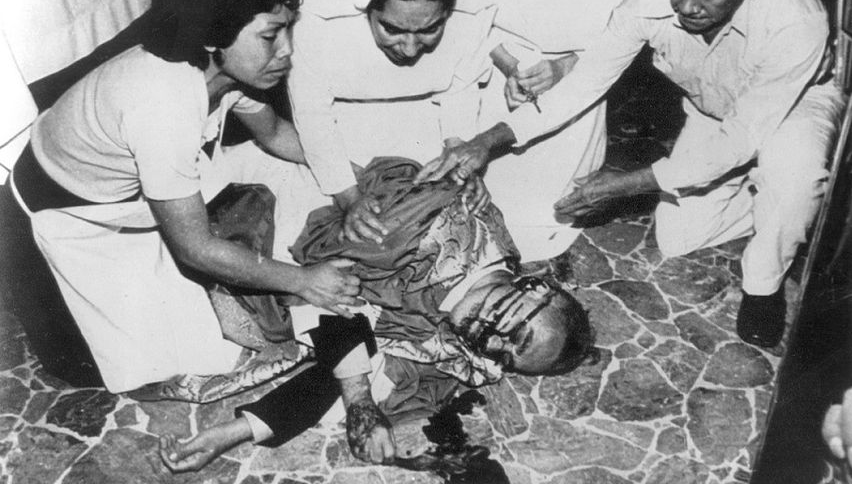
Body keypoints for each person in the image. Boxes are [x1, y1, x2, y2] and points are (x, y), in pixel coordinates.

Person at [416, 0, 846, 349]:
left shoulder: (796, 18)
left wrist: (624, 185)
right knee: (679, 238)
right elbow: (585, 83)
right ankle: (769, 198)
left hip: (796, 106)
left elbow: (740, 139)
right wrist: (489, 140)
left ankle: (766, 278)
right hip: (713, 108)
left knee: (793, 177)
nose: (687, 5)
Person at [8, 0, 362, 393]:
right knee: (139, 362)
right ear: (215, 35)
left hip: (127, 193)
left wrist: (352, 179)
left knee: (271, 198)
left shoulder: (226, 71)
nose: (287, 50)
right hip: (57, 219)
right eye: (271, 35)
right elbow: (194, 248)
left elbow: (275, 133)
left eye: (289, 29)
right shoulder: (164, 99)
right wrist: (303, 281)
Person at [159, 156, 597, 472]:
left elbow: (358, 369)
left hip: (292, 280)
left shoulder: (467, 335)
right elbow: (328, 287)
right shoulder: (437, 227)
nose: (495, 342)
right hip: (268, 212)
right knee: (174, 353)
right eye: (517, 334)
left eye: (506, 356)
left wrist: (234, 432)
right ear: (537, 287)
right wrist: (360, 402)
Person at [459, 0, 647, 261]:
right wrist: (507, 64)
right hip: (492, 63)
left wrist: (564, 66)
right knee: (476, 196)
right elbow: (464, 14)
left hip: (580, 79)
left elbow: (620, 45)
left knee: (548, 211)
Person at [287, 0, 498, 246]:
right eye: (392, 29)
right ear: (367, 10)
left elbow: (460, 93)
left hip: (426, 130)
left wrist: (460, 164)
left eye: (430, 29)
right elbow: (312, 115)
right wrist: (348, 197)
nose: (410, 49)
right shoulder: (317, 17)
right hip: (337, 139)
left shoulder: (472, 15)